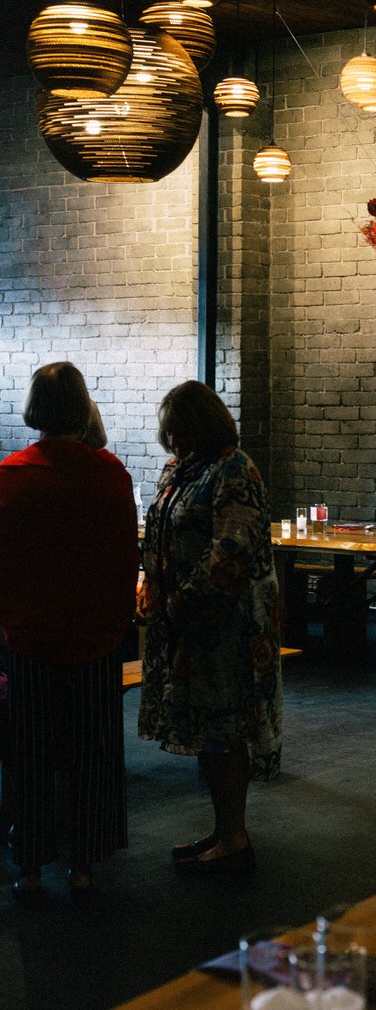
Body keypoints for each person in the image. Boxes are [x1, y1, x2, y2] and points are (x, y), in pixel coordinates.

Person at [0, 362, 139, 899]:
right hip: (95, 638)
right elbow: (124, 558)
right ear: (83, 407)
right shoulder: (110, 474)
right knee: (91, 753)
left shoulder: (11, 475)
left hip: (30, 637)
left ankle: (30, 867)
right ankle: (84, 864)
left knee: (30, 754)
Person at [137, 380, 282, 871]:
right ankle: (221, 830)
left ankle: (235, 836)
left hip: (223, 626)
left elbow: (232, 547)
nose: (171, 441)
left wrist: (185, 598)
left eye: (179, 430)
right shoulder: (181, 470)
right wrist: (149, 580)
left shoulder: (233, 470)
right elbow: (158, 530)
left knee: (224, 729)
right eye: (168, 432)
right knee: (204, 729)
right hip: (184, 622)